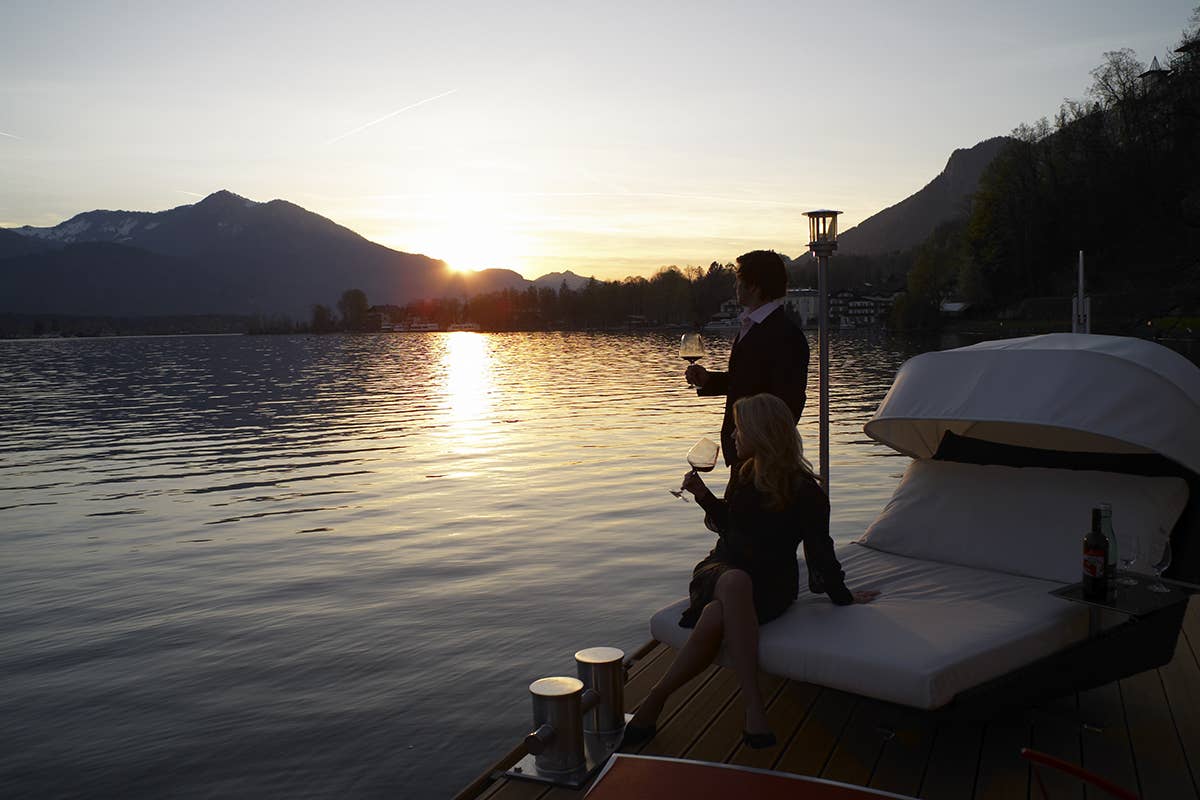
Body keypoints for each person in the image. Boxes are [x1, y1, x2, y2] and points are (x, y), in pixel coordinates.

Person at [624, 394, 879, 750]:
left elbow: (820, 551)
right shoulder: (741, 476)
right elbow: (730, 527)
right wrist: (702, 495)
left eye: (739, 429)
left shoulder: (807, 493)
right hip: (720, 569)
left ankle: (654, 698)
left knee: (719, 611)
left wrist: (843, 595)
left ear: (762, 433)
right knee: (734, 581)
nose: (732, 437)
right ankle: (755, 710)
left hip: (772, 585)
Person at [686, 250, 809, 468]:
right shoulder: (752, 326)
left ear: (753, 286)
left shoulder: (785, 335)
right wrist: (709, 381)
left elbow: (790, 401)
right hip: (743, 447)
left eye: (738, 281)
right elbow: (747, 380)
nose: (735, 287)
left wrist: (761, 444)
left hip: (762, 455)